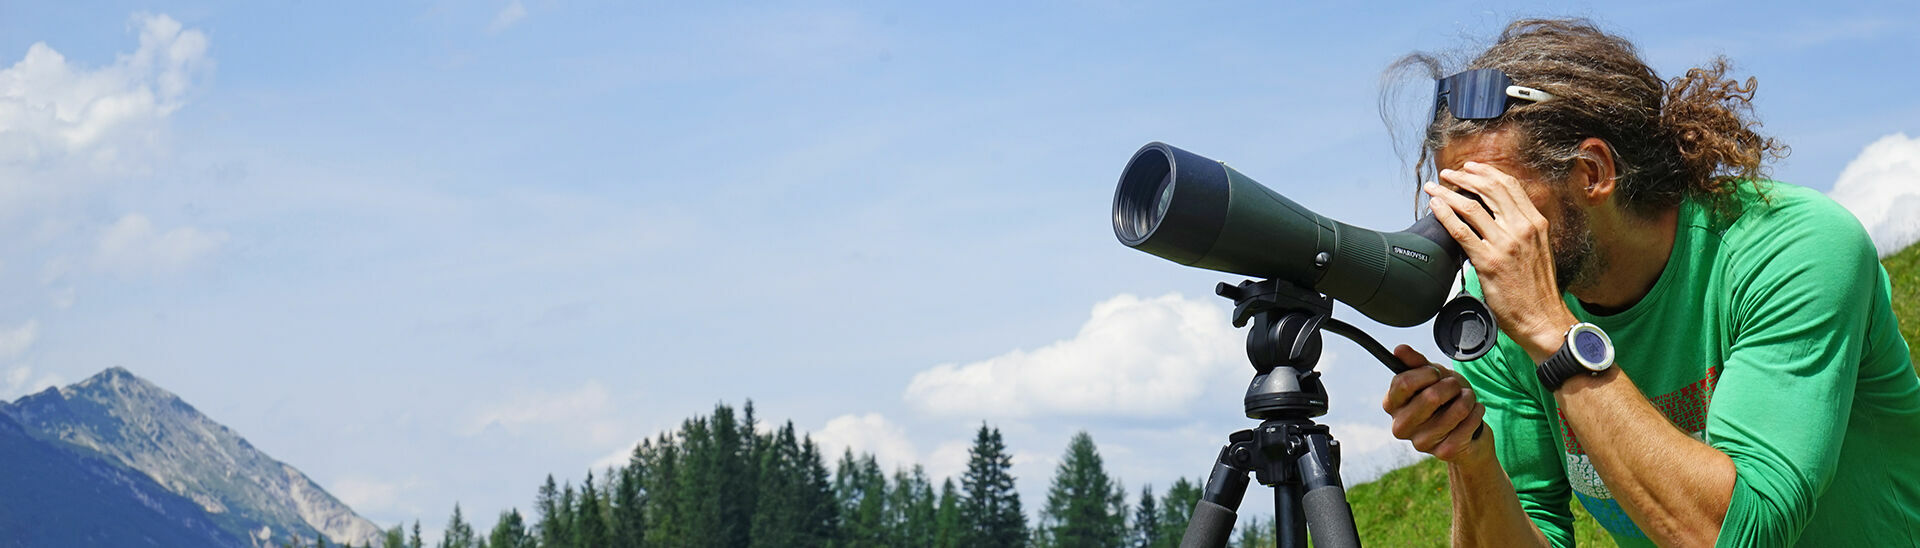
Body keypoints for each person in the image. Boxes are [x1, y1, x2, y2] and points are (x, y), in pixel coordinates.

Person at [1378, 19, 1920, 547]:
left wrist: (1553, 336)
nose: (1476, 236)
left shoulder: (1794, 247)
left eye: (1496, 201)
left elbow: (1738, 536)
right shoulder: (1503, 315)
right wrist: (1471, 459)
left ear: (1593, 172)